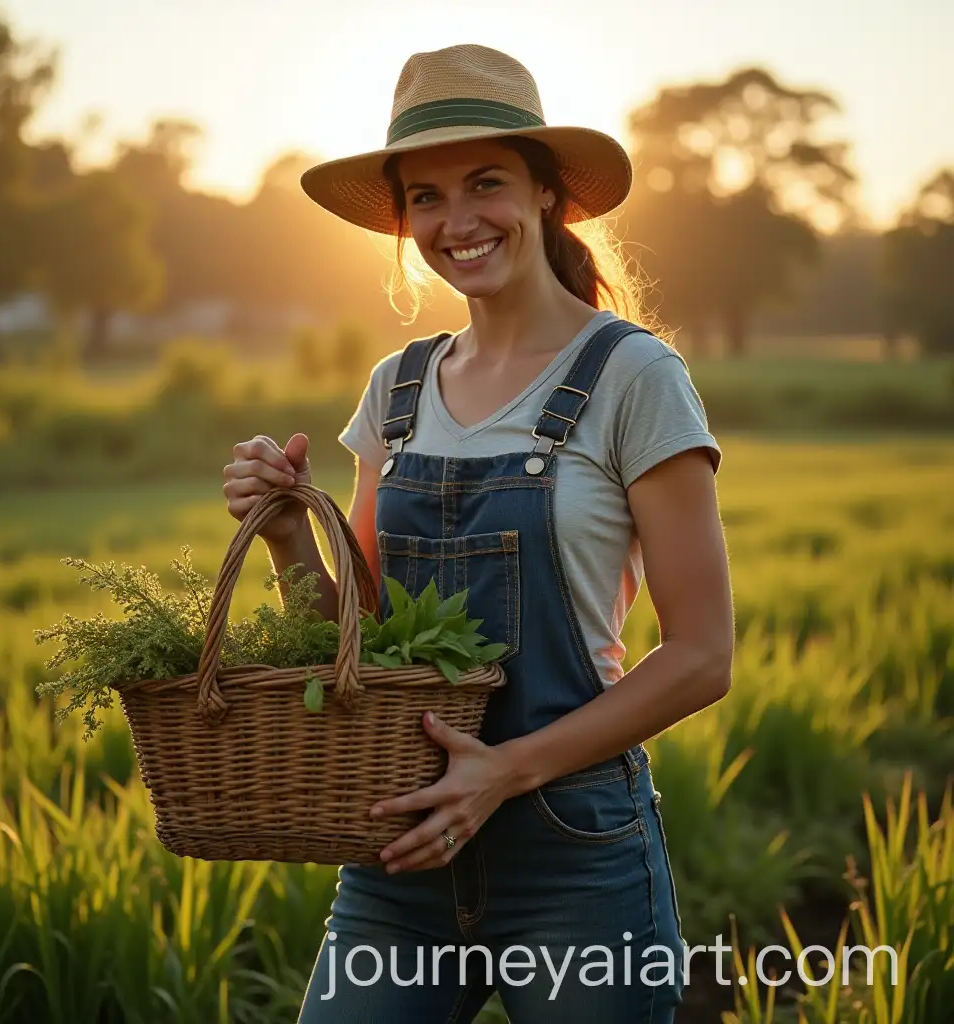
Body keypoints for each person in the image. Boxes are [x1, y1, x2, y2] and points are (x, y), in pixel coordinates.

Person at [222, 43, 733, 1024]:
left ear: (546, 193)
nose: (456, 221)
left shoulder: (633, 378)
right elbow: (358, 642)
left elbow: (703, 656)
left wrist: (501, 772)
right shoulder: (396, 391)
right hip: (399, 853)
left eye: (485, 182)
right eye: (425, 195)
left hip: (573, 855)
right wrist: (289, 536)